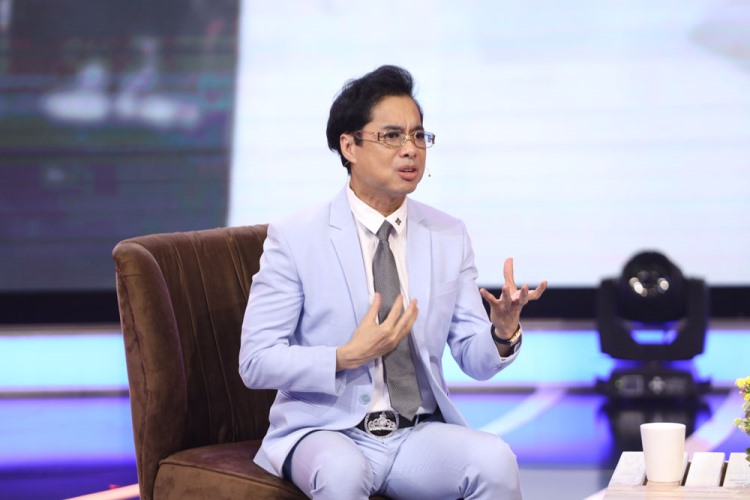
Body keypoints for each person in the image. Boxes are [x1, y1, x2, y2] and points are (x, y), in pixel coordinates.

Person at [239, 64, 547, 500]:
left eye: (419, 135)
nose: (411, 150)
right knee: (343, 473)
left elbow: (473, 360)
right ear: (349, 146)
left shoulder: (447, 234)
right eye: (392, 136)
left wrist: (502, 332)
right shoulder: (296, 237)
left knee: (494, 459)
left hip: (414, 433)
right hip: (326, 430)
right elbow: (256, 361)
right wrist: (344, 357)